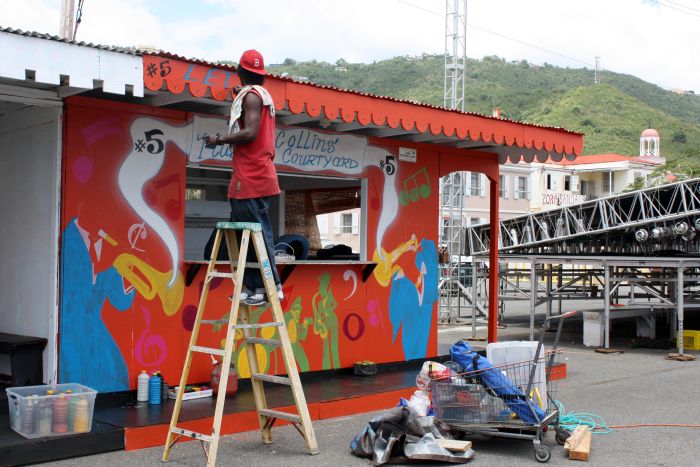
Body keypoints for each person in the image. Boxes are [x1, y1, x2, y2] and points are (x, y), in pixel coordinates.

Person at [206, 49, 282, 306]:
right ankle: (253, 288)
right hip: (249, 175)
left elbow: (249, 132)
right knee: (247, 238)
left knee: (258, 235)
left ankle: (271, 286)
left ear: (240, 71)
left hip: (253, 176)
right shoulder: (258, 96)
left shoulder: (251, 97)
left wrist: (219, 139)